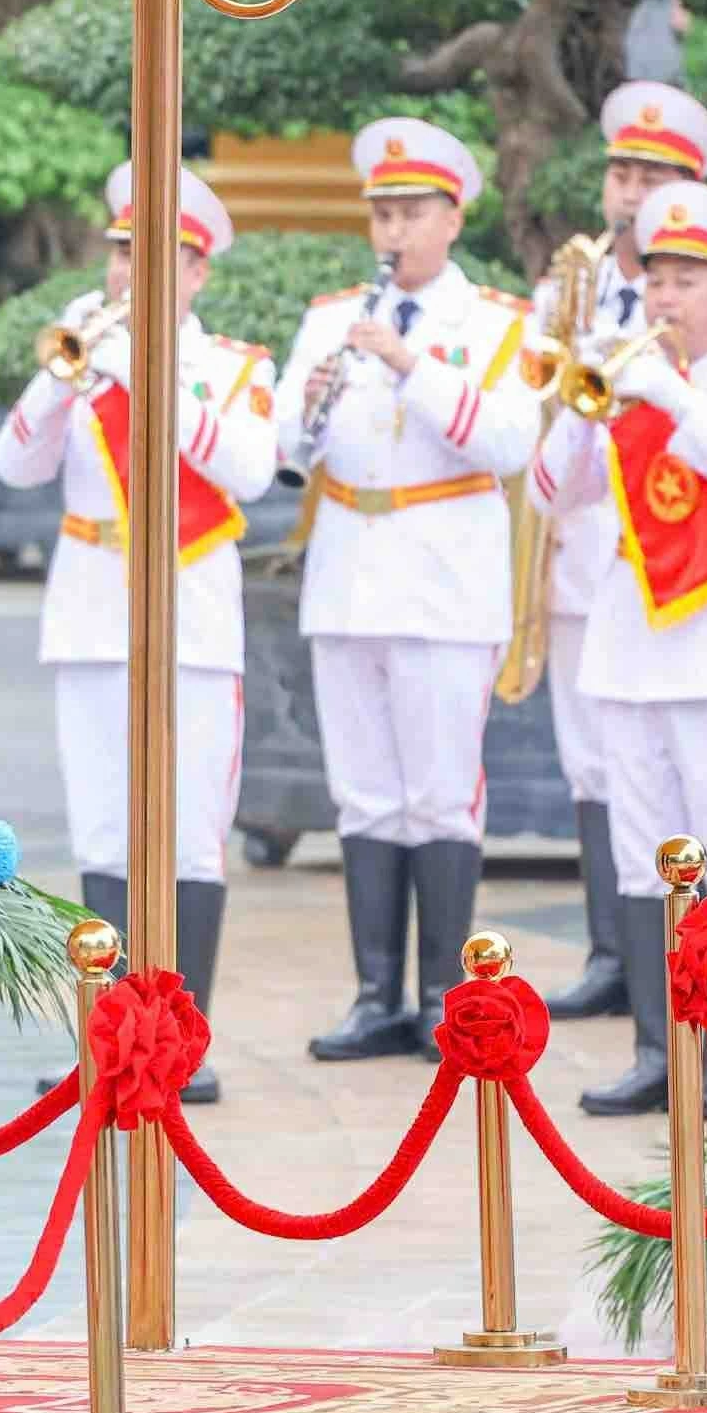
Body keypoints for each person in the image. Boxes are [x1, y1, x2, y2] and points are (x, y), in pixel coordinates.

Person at [0, 163, 279, 1106]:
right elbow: (15, 463)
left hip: (190, 614)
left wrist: (144, 377)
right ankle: (107, 1040)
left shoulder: (233, 367)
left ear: (196, 274)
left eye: (152, 257)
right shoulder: (88, 350)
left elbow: (244, 469)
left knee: (192, 836)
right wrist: (62, 374)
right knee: (104, 834)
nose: (128, 272)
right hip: (90, 613)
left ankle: (178, 1046)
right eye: (120, 252)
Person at [527, 182, 707, 1117]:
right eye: (656, 282)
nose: (666, 300)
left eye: (687, 281)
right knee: (645, 858)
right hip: (629, 655)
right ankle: (657, 1050)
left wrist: (671, 396)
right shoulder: (627, 381)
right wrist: (582, 414)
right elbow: (543, 496)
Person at [287, 118, 539, 1063]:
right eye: (382, 213)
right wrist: (309, 401)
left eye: (411, 213)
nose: (393, 231)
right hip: (349, 570)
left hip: (444, 577)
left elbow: (510, 442)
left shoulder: (497, 323)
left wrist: (407, 364)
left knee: (438, 796)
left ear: (452, 216)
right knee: (364, 795)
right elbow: (284, 439)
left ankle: (444, 996)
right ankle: (373, 993)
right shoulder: (330, 315)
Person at [539, 81, 707, 1023]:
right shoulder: (571, 285)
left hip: (688, 556)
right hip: (590, 551)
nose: (629, 189)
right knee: (594, 766)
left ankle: (690, 988)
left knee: (683, 780)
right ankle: (613, 949)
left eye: (652, 176)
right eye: (621, 171)